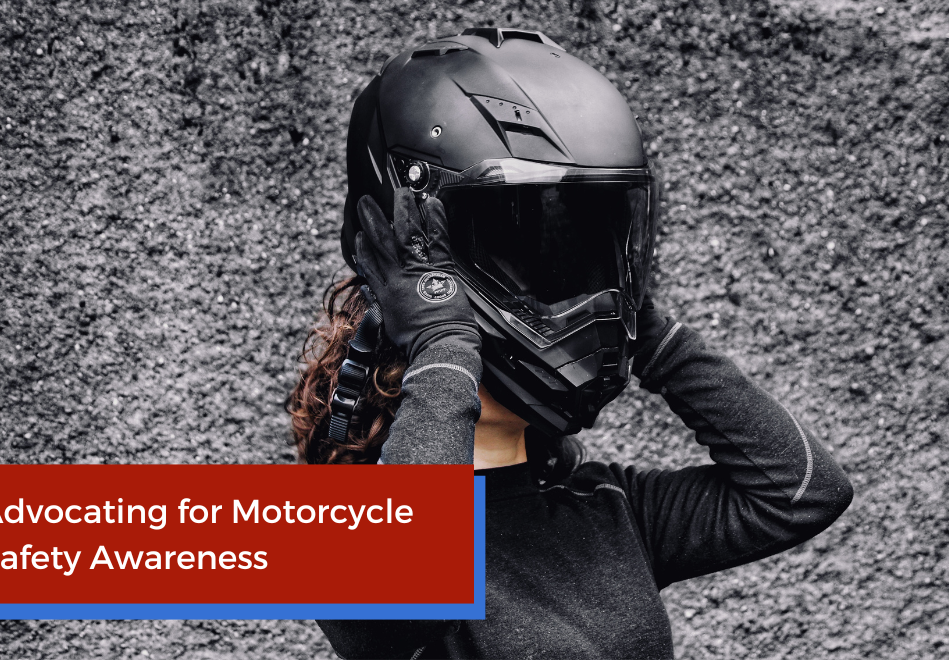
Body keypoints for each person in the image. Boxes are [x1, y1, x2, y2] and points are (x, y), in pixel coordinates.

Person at [287, 28, 853, 660]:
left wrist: (642, 322)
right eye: (531, 272)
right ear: (419, 281)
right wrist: (443, 339)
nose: (565, 305)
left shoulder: (607, 505)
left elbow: (802, 490)